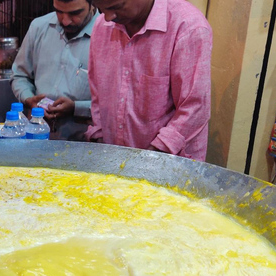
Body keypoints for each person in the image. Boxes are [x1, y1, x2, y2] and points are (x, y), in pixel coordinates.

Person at [86, 0, 212, 161]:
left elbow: (195, 108)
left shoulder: (188, 27)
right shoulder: (102, 25)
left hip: (170, 164)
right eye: (100, 9)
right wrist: (99, 135)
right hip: (113, 159)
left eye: (116, 7)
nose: (108, 17)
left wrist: (147, 160)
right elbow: (98, 92)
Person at [11, 0, 97, 140]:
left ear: (93, 4)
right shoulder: (39, 27)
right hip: (37, 137)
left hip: (86, 145)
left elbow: (116, 104)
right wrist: (29, 99)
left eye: (75, 13)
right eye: (59, 11)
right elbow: (20, 75)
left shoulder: (111, 37)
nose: (65, 21)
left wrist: (76, 108)